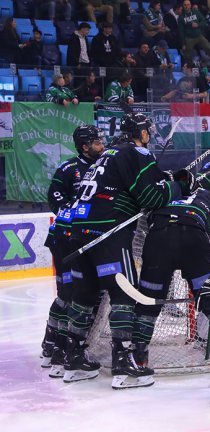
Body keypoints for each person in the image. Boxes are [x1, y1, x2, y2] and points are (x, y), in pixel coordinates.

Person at [60, 113, 191, 388]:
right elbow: (151, 198)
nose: (149, 135)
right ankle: (122, 363)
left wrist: (162, 179)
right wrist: (178, 186)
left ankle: (73, 358)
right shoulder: (138, 153)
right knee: (124, 294)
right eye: (147, 130)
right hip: (108, 232)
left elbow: (129, 184)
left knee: (84, 294)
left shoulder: (108, 154)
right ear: (141, 133)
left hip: (78, 231)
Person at [131, 181, 210, 385]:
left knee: (147, 303)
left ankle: (137, 359)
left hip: (158, 239)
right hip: (193, 237)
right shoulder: (206, 195)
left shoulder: (164, 191)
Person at [40, 126, 104, 378]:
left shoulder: (104, 166)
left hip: (85, 239)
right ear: (84, 146)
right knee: (68, 295)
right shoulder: (69, 168)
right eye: (96, 142)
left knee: (81, 294)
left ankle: (59, 347)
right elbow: (54, 197)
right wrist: (76, 214)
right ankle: (53, 345)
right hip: (64, 239)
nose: (101, 145)